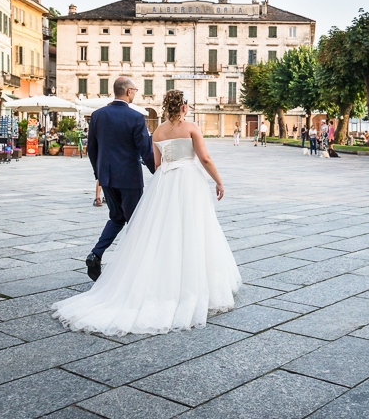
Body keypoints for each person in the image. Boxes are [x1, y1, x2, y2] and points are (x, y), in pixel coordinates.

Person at [53, 89, 241, 335]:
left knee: (162, 229)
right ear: (183, 107)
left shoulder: (159, 131)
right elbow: (204, 158)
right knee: (195, 226)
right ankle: (194, 281)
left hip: (165, 181)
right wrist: (219, 181)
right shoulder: (192, 127)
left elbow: (157, 163)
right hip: (188, 181)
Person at [83, 77, 156, 282]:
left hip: (106, 177)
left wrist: (99, 174)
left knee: (116, 217)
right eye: (135, 90)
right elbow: (145, 149)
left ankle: (95, 254)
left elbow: (91, 149)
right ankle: (134, 267)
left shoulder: (97, 115)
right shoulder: (136, 117)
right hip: (129, 178)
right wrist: (156, 171)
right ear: (129, 92)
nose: (136, 93)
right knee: (135, 220)